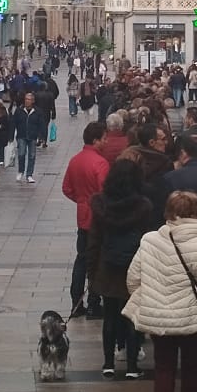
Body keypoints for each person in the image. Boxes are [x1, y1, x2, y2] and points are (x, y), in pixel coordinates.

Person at [126, 190, 197, 392]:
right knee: (192, 369)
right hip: (193, 316)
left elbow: (133, 278)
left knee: (163, 369)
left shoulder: (150, 240)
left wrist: (151, 298)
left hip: (159, 318)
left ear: (168, 212)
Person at [86, 159, 154, 378]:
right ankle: (132, 367)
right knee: (132, 317)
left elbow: (93, 240)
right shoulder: (143, 206)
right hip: (133, 268)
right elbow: (147, 239)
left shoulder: (100, 204)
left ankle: (108, 363)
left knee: (111, 316)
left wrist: (92, 271)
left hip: (107, 266)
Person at [63, 121, 112, 319]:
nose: (106, 142)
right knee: (97, 261)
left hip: (82, 217)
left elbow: (67, 188)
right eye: (104, 138)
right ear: (96, 140)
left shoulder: (75, 160)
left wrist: (81, 200)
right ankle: (93, 302)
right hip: (98, 219)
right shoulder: (100, 163)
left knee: (81, 258)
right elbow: (105, 192)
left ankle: (76, 301)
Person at [11, 90, 44, 184]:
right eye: (26, 99)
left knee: (32, 156)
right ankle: (20, 171)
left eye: (29, 99)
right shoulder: (19, 110)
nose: (27, 101)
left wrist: (41, 136)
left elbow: (41, 124)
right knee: (21, 154)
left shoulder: (37, 111)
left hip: (33, 136)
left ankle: (29, 174)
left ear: (33, 101)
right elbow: (14, 123)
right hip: (21, 135)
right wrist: (11, 136)